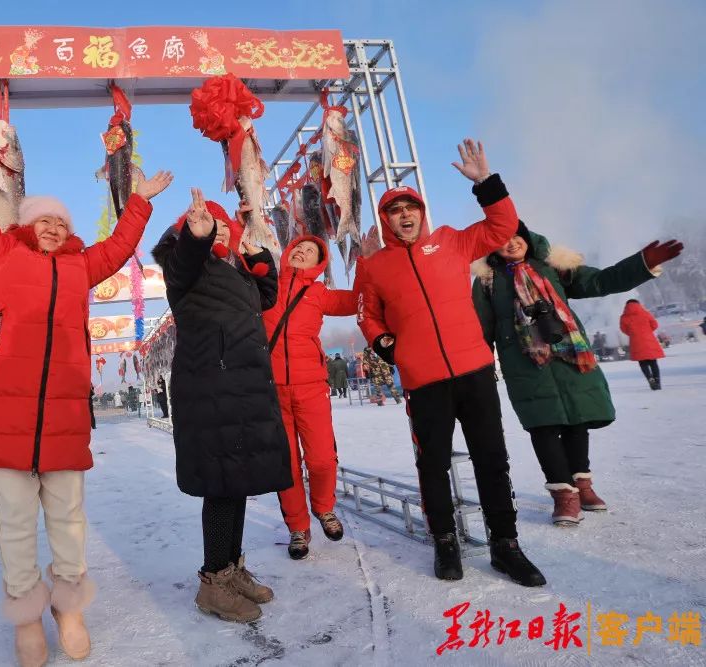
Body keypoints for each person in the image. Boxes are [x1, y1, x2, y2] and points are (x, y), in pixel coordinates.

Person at [0, 121, 172, 667]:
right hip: (4, 415)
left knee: (69, 521)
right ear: (26, 224)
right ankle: (26, 617)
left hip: (63, 417)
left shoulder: (80, 265)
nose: (52, 227)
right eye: (43, 220)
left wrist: (139, 201)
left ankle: (69, 608)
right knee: (16, 526)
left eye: (61, 222)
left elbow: (119, 247)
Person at [356, 138, 545, 587]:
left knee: (491, 459)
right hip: (424, 382)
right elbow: (367, 313)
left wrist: (485, 183)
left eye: (411, 207)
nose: (405, 215)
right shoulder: (375, 265)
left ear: (421, 212)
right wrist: (389, 346)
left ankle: (506, 545)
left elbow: (502, 226)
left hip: (474, 370)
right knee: (433, 465)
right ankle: (445, 542)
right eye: (395, 210)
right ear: (386, 220)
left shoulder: (452, 242)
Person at [473, 224, 681, 525]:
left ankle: (582, 485)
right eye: (502, 239)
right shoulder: (487, 280)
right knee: (543, 426)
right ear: (492, 245)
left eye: (516, 235)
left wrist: (642, 265)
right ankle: (564, 495)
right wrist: (480, 369)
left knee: (577, 420)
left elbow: (599, 281)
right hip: (524, 361)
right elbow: (480, 327)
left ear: (527, 237)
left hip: (570, 354)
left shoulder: (553, 265)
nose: (512, 243)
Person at [151, 188, 289, 623]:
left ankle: (231, 569)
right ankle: (213, 581)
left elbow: (266, 297)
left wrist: (256, 254)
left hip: (242, 389)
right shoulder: (186, 270)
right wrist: (197, 236)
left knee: (237, 482)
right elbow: (185, 260)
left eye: (224, 226)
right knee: (221, 485)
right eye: (214, 226)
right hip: (212, 390)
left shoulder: (233, 272)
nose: (222, 232)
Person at [263, 235, 357, 559]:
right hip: (272, 390)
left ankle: (323, 507)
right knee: (286, 465)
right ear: (287, 253)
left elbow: (356, 300)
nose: (302, 252)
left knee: (322, 459)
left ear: (319, 264)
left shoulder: (318, 293)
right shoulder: (266, 287)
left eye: (311, 252)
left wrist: (366, 261)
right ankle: (298, 528)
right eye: (298, 248)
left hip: (311, 387)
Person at [620, 299, 668, 390]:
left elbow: (623, 329)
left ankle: (650, 378)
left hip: (636, 342)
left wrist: (633, 334)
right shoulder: (645, 313)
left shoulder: (624, 317)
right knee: (653, 362)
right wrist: (647, 331)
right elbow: (655, 325)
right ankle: (657, 381)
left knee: (642, 362)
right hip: (649, 340)